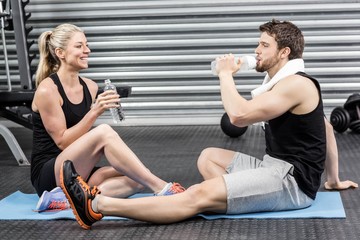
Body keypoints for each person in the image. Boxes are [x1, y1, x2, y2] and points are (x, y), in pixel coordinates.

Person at [59, 19, 357, 230]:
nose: (256, 51)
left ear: (284, 53)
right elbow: (327, 128)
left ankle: (96, 207)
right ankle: (216, 199)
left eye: (264, 45)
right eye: (258, 43)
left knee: (197, 195)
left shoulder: (295, 85)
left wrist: (226, 75)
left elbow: (238, 116)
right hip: (272, 166)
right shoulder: (282, 84)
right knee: (208, 156)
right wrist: (331, 180)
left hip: (291, 183)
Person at [30, 23, 185, 211]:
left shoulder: (90, 86)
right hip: (50, 175)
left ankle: (75, 200)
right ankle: (162, 188)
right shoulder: (48, 90)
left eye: (86, 45)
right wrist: (95, 111)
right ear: (60, 53)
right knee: (103, 132)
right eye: (79, 46)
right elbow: (62, 142)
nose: (87, 50)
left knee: (137, 177)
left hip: (78, 172)